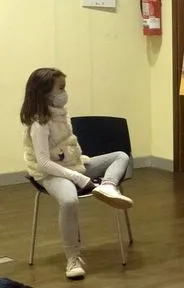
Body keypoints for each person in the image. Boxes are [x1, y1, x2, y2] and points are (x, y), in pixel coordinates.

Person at [20, 68, 135, 280]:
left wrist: (78, 170)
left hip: (73, 166)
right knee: (69, 201)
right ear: (45, 92)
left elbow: (67, 148)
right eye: (61, 88)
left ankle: (108, 187)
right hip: (49, 174)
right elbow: (44, 163)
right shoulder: (39, 123)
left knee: (120, 156)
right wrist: (80, 179)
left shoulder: (61, 114)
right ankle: (72, 257)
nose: (65, 92)